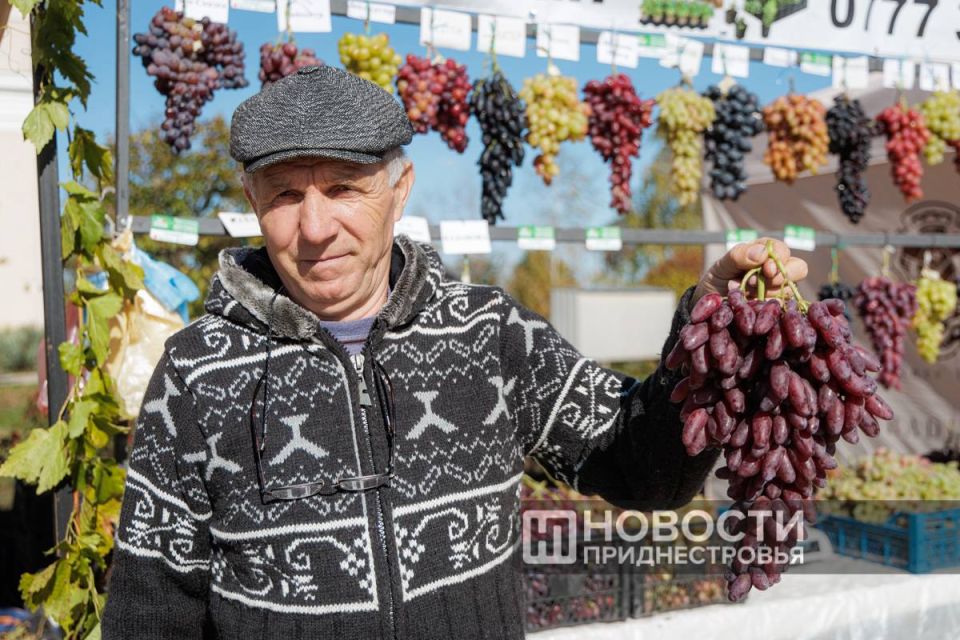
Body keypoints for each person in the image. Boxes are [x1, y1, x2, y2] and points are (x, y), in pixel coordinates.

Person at [101, 66, 808, 639]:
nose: (315, 227)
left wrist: (711, 333)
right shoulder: (196, 372)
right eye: (286, 195)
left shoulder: (488, 333)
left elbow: (644, 466)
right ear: (252, 201)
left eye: (345, 188)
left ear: (399, 191)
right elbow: (149, 609)